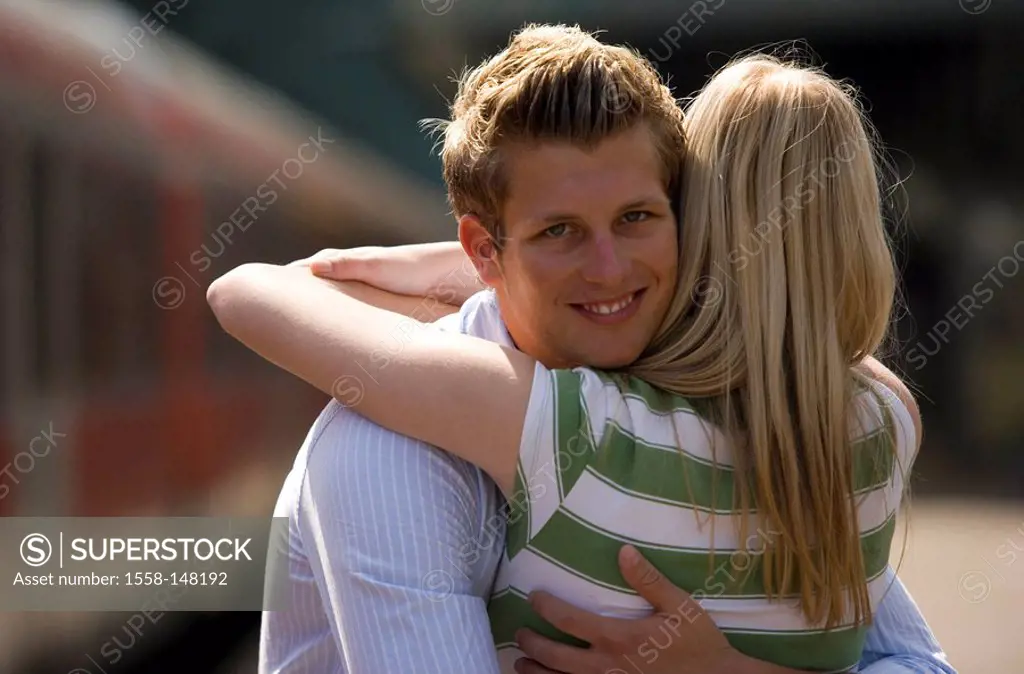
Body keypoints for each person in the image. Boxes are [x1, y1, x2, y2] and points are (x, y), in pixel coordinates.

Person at [210, 25, 955, 674]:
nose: (608, 270)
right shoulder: (874, 421)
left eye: (637, 218)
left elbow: (246, 292)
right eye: (557, 231)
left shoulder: (583, 430)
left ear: (690, 228)